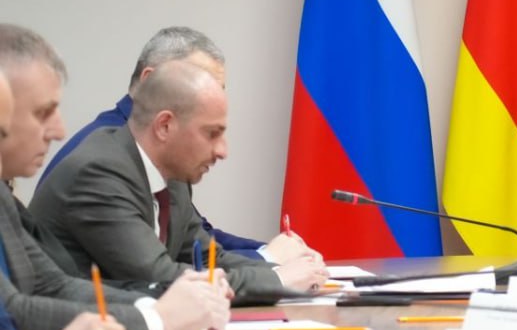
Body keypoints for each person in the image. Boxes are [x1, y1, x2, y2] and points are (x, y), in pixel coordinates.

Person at [0, 24, 232, 330]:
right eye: (42, 112)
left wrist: (160, 306)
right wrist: (158, 322)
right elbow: (15, 314)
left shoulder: (4, 198)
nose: (59, 130)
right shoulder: (99, 167)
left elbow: (51, 286)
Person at [30, 60, 329, 294]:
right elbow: (160, 278)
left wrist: (290, 268)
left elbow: (210, 259)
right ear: (165, 126)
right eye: (211, 134)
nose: (222, 151)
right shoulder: (99, 173)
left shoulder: (171, 176)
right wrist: (278, 279)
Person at [41, 26, 313, 263]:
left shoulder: (164, 152)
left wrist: (268, 254)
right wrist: (268, 259)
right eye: (198, 83)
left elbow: (194, 239)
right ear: (150, 81)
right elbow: (154, 271)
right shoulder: (102, 159)